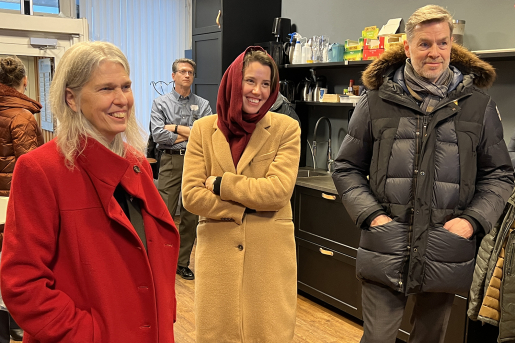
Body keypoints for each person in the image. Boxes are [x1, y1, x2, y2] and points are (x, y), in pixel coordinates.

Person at [332, 5, 514, 343]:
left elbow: (500, 175)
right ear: (407, 47)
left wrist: (471, 222)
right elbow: (346, 167)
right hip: (386, 245)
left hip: (445, 248)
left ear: (451, 44)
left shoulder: (478, 106)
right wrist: (372, 216)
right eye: (425, 44)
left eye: (442, 43)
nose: (435, 53)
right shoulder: (376, 101)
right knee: (377, 339)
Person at [0, 41, 180, 343]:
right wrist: (89, 335)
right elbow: (22, 282)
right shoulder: (40, 169)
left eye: (126, 86)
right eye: (106, 89)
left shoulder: (137, 164)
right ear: (72, 98)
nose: (122, 99)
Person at [181, 46, 300, 342]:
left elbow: (277, 192)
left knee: (268, 333)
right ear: (235, 81)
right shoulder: (202, 129)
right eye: (250, 81)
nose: (257, 91)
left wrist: (222, 185)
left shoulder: (286, 128)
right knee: (218, 333)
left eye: (265, 84)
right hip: (218, 256)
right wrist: (243, 207)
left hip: (269, 258)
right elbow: (192, 196)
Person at [150, 58, 212, 280]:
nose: (187, 75)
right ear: (173, 76)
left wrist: (175, 128)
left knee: (191, 214)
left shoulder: (203, 104)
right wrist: (189, 132)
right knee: (163, 212)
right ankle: (160, 260)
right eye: (183, 72)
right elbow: (158, 134)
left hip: (196, 161)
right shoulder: (160, 103)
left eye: (191, 72)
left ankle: (182, 262)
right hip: (170, 161)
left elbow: (205, 135)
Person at [0, 55, 43, 343]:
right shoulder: (22, 117)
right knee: (15, 260)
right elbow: (29, 168)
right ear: (24, 81)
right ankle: (14, 322)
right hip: (10, 199)